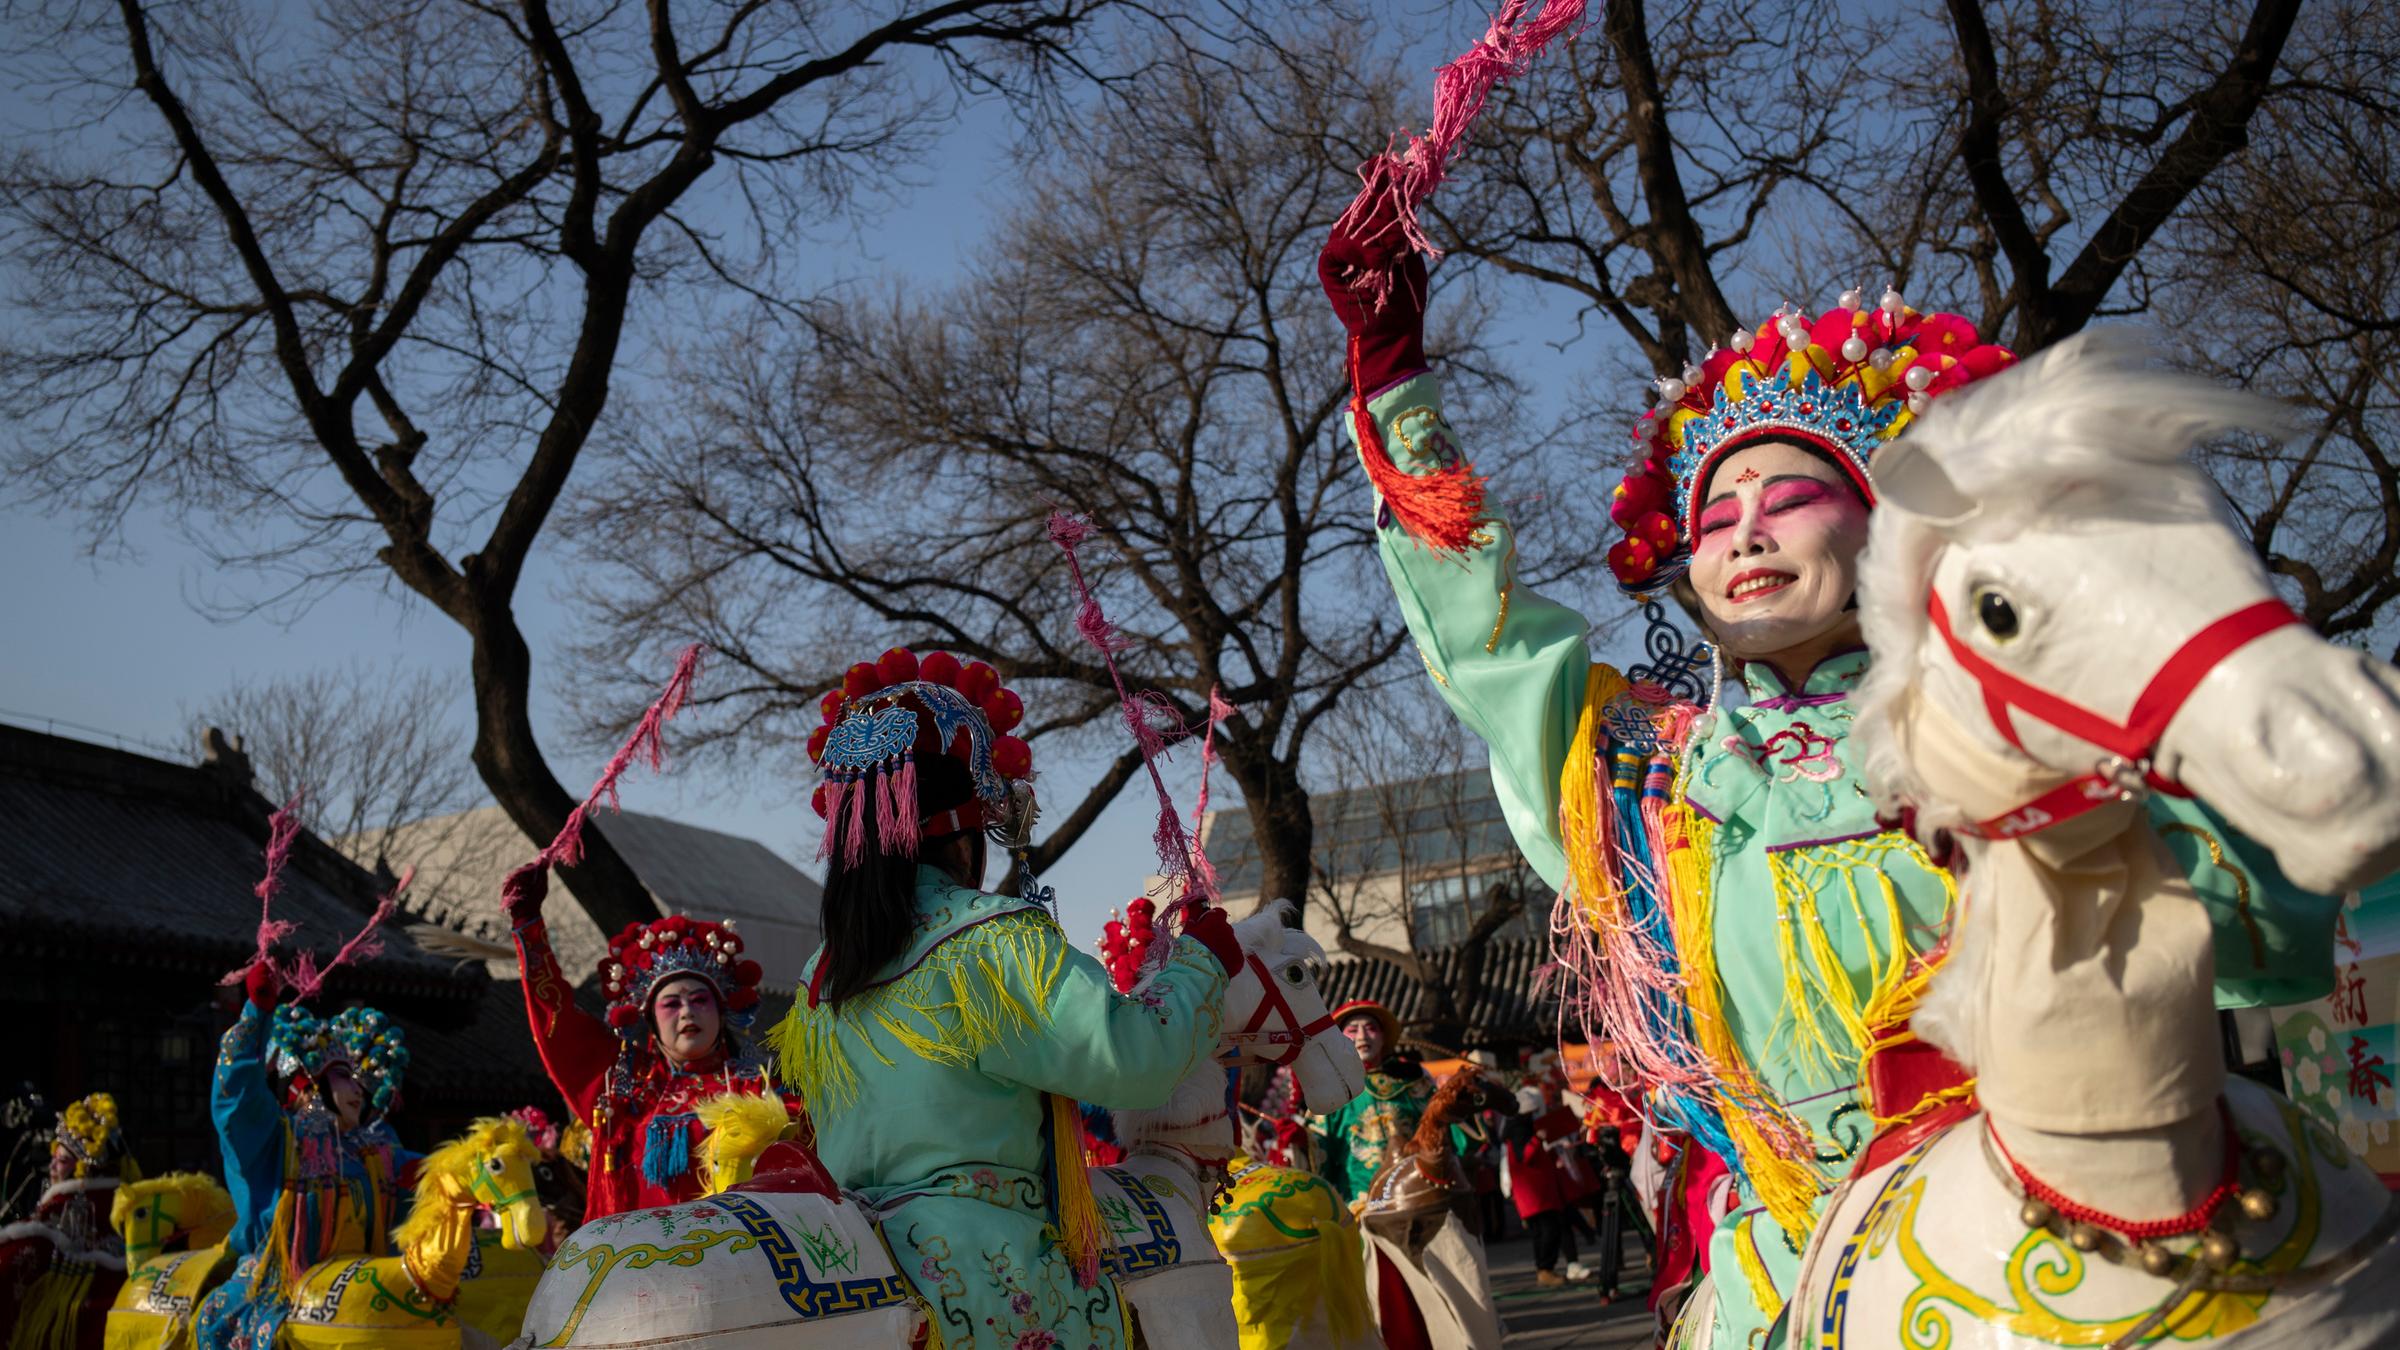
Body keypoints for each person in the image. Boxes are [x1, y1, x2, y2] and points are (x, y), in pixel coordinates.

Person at [1320, 200, 2341, 1345]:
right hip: (1794, 1266)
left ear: (1886, 534)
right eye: (1717, 519)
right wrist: (1396, 386)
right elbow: (1493, 644)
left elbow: (2234, 911)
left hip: (2059, 1231)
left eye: (1792, 501)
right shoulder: (1643, 780)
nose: (1748, 535)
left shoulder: (1997, 731)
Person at [773, 646, 1242, 1350]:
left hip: (855, 1251)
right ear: (965, 835)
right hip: (978, 1256)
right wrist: (1202, 963)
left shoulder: (823, 973)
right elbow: (1128, 1057)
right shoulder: (990, 938)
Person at [501, 860, 798, 1219]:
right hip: (633, 1252)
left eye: (700, 1000)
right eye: (671, 1004)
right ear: (651, 1021)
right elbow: (559, 1022)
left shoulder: (758, 1091)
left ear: (722, 1014)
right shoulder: (623, 1087)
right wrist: (528, 925)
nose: (687, 1012)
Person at [195, 967, 420, 1350]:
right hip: (283, 1287)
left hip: (363, 1290)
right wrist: (257, 1013)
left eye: (357, 1080)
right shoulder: (278, 1139)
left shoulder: (377, 1148)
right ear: (308, 1084)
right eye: (344, 1078)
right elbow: (238, 1100)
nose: (358, 1090)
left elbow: (427, 1177)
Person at [0, 1092, 137, 1349]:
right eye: (53, 1157)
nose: (51, 1167)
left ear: (84, 1169)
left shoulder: (61, 1215)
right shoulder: (134, 1212)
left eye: (62, 1160)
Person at [1503, 1085, 1575, 1288]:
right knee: (1547, 1232)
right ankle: (1545, 1269)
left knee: (1544, 1232)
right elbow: (1525, 1156)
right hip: (1534, 1193)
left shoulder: (1520, 1130)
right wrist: (1538, 1139)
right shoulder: (1519, 1132)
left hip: (1538, 1192)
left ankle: (1545, 1269)